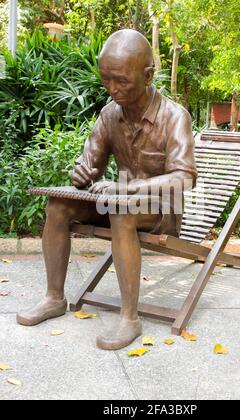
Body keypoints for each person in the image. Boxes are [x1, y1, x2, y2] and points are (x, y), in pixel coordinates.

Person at [17, 29, 197, 350]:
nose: (112, 89)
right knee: (58, 205)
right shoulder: (110, 115)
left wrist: (127, 190)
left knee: (121, 210)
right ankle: (53, 298)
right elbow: (90, 166)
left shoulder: (174, 117)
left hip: (160, 211)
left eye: (122, 81)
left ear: (148, 75)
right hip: (115, 204)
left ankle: (130, 318)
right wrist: (83, 172)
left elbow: (184, 178)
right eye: (106, 80)